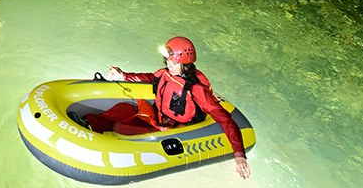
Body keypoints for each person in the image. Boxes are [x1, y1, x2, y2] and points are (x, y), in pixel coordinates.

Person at [93, 36, 250, 179]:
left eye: (174, 63)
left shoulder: (197, 90)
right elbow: (151, 78)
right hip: (158, 118)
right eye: (168, 61)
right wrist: (124, 75)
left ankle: (99, 142)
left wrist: (239, 154)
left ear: (185, 65)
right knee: (123, 107)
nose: (169, 65)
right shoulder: (165, 73)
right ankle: (89, 122)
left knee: (123, 128)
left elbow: (224, 119)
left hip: (173, 131)